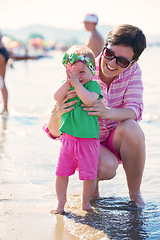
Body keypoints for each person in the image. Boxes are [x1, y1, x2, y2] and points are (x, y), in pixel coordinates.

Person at [45, 24, 146, 208]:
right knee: (106, 167)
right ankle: (92, 191)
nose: (112, 63)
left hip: (114, 138)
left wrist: (107, 112)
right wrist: (56, 112)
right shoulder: (81, 71)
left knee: (133, 128)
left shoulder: (133, 72)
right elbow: (54, 130)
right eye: (109, 54)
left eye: (122, 61)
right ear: (104, 47)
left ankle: (135, 194)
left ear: (133, 62)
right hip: (85, 141)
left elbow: (135, 110)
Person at [47, 45, 103, 214]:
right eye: (74, 72)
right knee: (61, 172)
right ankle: (60, 204)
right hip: (68, 139)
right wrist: (67, 82)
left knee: (89, 174)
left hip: (89, 140)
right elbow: (56, 97)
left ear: (92, 72)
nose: (78, 76)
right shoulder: (68, 85)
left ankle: (86, 203)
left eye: (82, 72)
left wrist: (77, 84)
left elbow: (87, 100)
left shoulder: (93, 86)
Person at [0, 32, 9, 114]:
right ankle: (5, 108)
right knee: (2, 82)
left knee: (2, 82)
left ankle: (5, 108)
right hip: (4, 52)